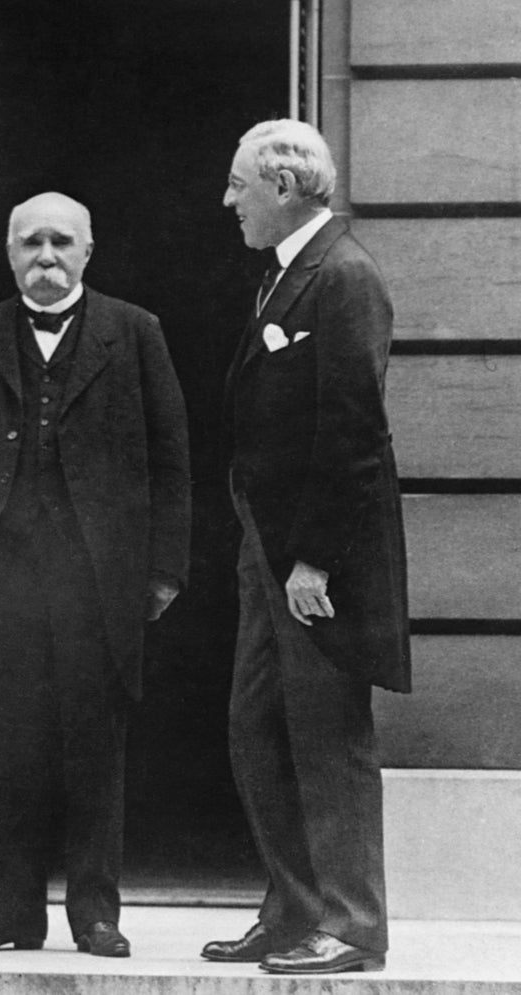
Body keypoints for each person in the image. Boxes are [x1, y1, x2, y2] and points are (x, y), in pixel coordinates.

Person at [0, 192, 191, 957]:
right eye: (30, 243)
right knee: (4, 746)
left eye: (61, 242)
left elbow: (171, 460)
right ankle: (13, 911)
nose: (46, 256)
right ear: (9, 253)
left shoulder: (134, 333)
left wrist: (163, 567)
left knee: (92, 749)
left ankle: (96, 913)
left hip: (95, 578)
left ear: (88, 252)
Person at [202, 119, 410, 975]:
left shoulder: (344, 277)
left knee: (327, 736)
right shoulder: (288, 277)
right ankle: (293, 909)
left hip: (318, 563)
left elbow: (355, 433)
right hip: (272, 549)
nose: (228, 201)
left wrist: (315, 560)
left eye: (238, 184)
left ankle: (352, 925)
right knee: (256, 727)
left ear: (283, 188)